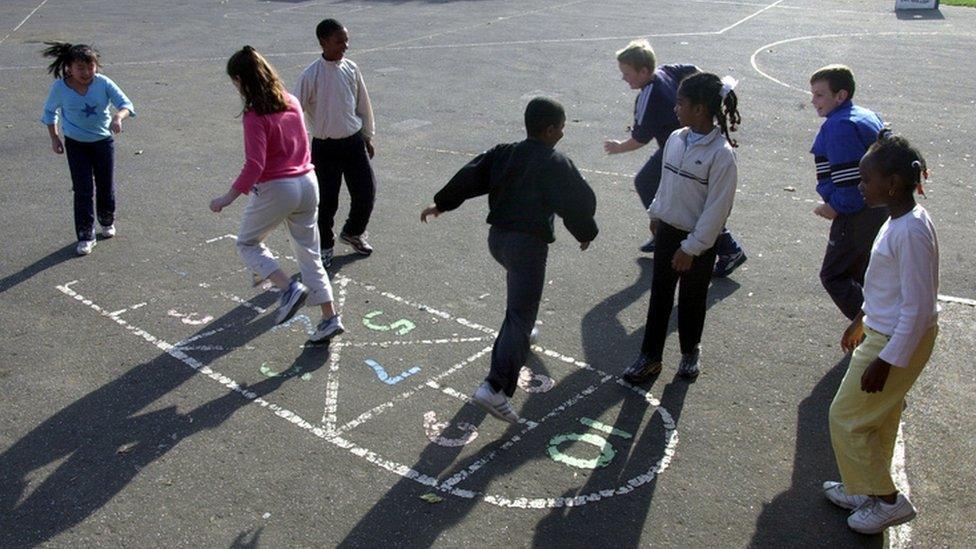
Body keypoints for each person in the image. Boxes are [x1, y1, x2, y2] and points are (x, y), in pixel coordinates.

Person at [421, 97, 598, 423]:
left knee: (520, 306)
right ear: (549, 130)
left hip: (498, 240)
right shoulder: (556, 162)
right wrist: (585, 231)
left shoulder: (505, 152)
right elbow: (578, 201)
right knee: (521, 313)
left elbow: (470, 175)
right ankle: (495, 386)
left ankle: (520, 337)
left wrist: (441, 204)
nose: (562, 132)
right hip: (526, 246)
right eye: (561, 127)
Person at [823, 134, 938, 535]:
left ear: (891, 184)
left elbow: (919, 307)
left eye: (866, 179)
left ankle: (888, 500)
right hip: (882, 331)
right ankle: (866, 487)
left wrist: (887, 361)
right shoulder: (900, 219)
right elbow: (888, 289)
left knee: (845, 416)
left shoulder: (910, 232)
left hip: (893, 342)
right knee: (880, 418)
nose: (860, 185)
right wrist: (861, 317)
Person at [210, 46, 344, 343]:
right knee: (310, 253)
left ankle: (288, 289)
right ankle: (330, 317)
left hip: (278, 186)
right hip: (308, 182)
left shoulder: (254, 114)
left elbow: (255, 164)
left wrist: (228, 197)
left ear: (240, 80)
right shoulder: (292, 101)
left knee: (247, 242)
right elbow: (303, 143)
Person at [623, 72, 741, 383]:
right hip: (667, 231)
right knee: (659, 296)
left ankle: (690, 351)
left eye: (681, 103)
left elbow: (717, 211)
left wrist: (691, 248)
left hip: (698, 241)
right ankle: (650, 357)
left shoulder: (722, 156)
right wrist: (656, 213)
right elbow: (666, 182)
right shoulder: (676, 139)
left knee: (692, 298)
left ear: (701, 109)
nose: (676, 108)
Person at [604, 40, 745, 277]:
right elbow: (690, 69)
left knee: (665, 190)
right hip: (684, 144)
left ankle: (725, 247)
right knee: (670, 191)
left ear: (644, 71)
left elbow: (640, 138)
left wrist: (619, 148)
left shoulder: (648, 97)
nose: (624, 78)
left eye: (627, 74)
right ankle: (665, 229)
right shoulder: (666, 70)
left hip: (679, 148)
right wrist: (708, 92)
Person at [295, 18, 377, 267]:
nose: (345, 45)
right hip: (325, 147)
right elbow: (295, 114)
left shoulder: (351, 68)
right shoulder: (311, 75)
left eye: (346, 40)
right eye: (340, 40)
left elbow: (363, 104)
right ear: (323, 42)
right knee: (327, 201)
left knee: (366, 192)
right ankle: (325, 246)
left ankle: (353, 232)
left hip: (353, 143)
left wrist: (367, 136)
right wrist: (297, 152)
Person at [41, 42, 134, 256]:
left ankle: (106, 219)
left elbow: (126, 104)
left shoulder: (103, 83)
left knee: (105, 184)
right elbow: (49, 113)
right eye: (80, 68)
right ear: (69, 69)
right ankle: (85, 234)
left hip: (103, 143)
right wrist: (55, 138)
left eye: (90, 67)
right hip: (76, 145)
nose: (86, 73)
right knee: (82, 189)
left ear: (97, 66)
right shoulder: (60, 88)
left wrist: (119, 117)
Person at [809, 64, 887, 320]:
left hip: (857, 216)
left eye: (820, 95)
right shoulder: (865, 115)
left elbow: (851, 184)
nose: (813, 101)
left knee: (835, 275)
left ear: (840, 95)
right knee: (865, 271)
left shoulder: (839, 127)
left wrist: (834, 207)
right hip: (880, 210)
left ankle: (874, 330)